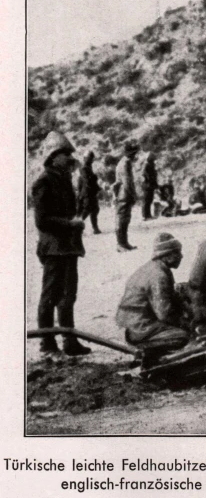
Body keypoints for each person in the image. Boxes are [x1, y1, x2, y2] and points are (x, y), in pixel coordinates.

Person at [32, 131, 91, 355]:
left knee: (68, 296)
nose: (69, 158)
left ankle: (70, 341)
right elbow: (42, 220)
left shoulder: (63, 179)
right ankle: (47, 344)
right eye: (66, 154)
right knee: (50, 296)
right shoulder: (44, 181)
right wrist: (70, 224)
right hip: (55, 248)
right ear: (54, 156)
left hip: (67, 247)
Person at [115, 233, 190, 354]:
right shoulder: (159, 276)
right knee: (183, 336)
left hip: (136, 324)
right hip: (140, 328)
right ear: (166, 254)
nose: (181, 256)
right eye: (176, 253)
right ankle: (144, 350)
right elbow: (164, 314)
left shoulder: (157, 268)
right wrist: (186, 323)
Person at [114, 139, 139, 251]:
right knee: (122, 219)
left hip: (123, 193)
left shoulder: (123, 162)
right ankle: (121, 244)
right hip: (124, 194)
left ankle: (124, 243)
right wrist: (134, 195)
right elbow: (127, 182)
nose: (135, 155)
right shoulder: (126, 162)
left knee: (125, 219)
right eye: (134, 153)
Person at [76, 150, 102, 234]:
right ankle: (75, 227)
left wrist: (97, 188)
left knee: (95, 210)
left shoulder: (88, 168)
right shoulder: (84, 168)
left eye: (91, 158)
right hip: (87, 193)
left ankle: (95, 228)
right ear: (85, 158)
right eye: (89, 158)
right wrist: (95, 180)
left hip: (90, 193)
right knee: (86, 210)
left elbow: (91, 181)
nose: (91, 160)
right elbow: (87, 182)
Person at [141, 152, 159, 220]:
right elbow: (147, 176)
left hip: (149, 185)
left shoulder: (151, 165)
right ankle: (145, 215)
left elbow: (153, 176)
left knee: (149, 200)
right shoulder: (147, 165)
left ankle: (148, 215)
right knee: (146, 200)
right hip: (147, 185)